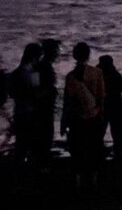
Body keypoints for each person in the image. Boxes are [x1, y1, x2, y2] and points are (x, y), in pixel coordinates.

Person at [60, 41, 105, 190]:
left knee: (77, 148)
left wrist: (63, 121)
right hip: (94, 115)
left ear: (74, 55)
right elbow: (101, 96)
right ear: (88, 55)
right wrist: (99, 112)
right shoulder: (97, 72)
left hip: (76, 117)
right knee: (95, 147)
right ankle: (94, 178)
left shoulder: (70, 77)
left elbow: (67, 101)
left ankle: (77, 178)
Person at [9, 42, 42, 165]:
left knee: (20, 146)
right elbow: (36, 96)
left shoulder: (15, 73)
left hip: (19, 112)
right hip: (31, 114)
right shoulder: (32, 74)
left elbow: (12, 93)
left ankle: (18, 175)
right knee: (33, 146)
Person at [33, 38, 60, 167]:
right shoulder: (43, 66)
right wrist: (49, 92)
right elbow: (37, 89)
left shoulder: (42, 66)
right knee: (44, 136)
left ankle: (41, 162)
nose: (58, 53)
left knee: (44, 136)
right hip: (43, 108)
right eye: (55, 50)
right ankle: (41, 164)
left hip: (45, 107)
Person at [97, 54, 122, 159]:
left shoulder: (97, 72)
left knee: (100, 131)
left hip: (103, 106)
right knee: (117, 132)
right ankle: (119, 153)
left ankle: (98, 152)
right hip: (115, 105)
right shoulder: (113, 72)